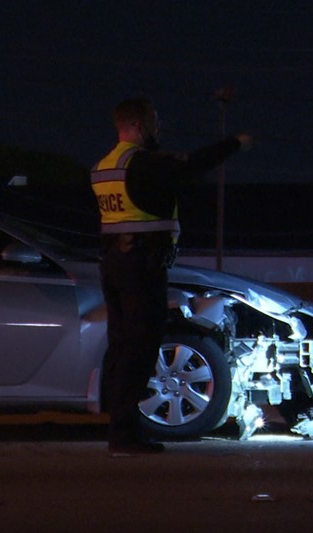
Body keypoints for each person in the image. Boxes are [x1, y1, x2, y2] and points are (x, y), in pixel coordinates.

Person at [91, 97, 250, 455]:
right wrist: (234, 144)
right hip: (141, 266)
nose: (157, 128)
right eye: (153, 121)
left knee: (121, 347)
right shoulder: (143, 164)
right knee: (142, 347)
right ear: (138, 125)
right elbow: (193, 166)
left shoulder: (103, 166)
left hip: (113, 263)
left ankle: (120, 428)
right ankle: (124, 434)